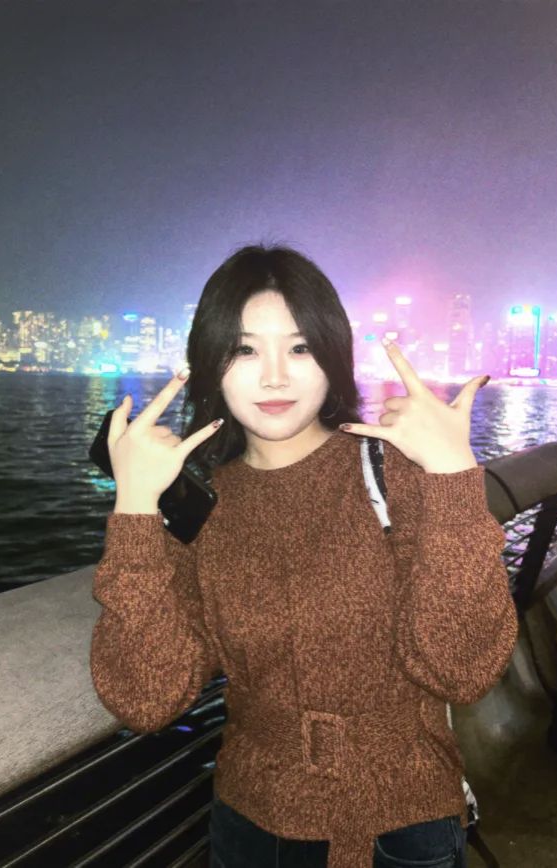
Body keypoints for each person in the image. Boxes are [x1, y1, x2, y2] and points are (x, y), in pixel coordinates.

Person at [90, 244, 519, 868]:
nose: (274, 377)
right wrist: (134, 507)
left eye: (299, 348)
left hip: (399, 828)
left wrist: (453, 474)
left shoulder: (392, 469)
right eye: (244, 350)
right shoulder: (201, 507)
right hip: (247, 825)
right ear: (208, 364)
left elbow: (462, 670)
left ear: (332, 357)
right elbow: (146, 698)